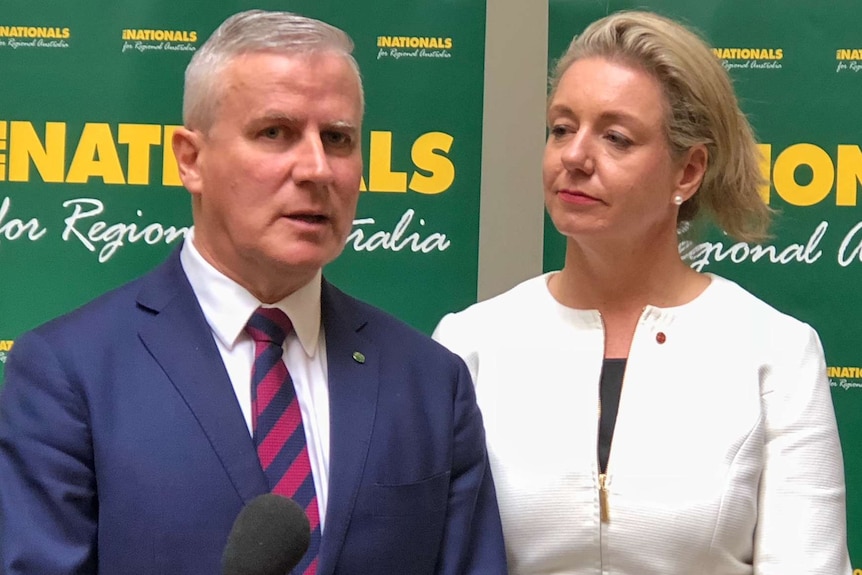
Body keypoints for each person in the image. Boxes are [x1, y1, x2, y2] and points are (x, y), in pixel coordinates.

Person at [0, 10, 507, 575]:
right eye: (276, 133)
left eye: (338, 139)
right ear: (191, 159)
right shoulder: (69, 372)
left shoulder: (431, 381)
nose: (317, 168)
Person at [433, 10, 851, 575]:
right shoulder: (470, 343)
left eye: (616, 137)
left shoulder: (775, 352)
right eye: (561, 128)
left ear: (688, 172)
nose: (574, 157)